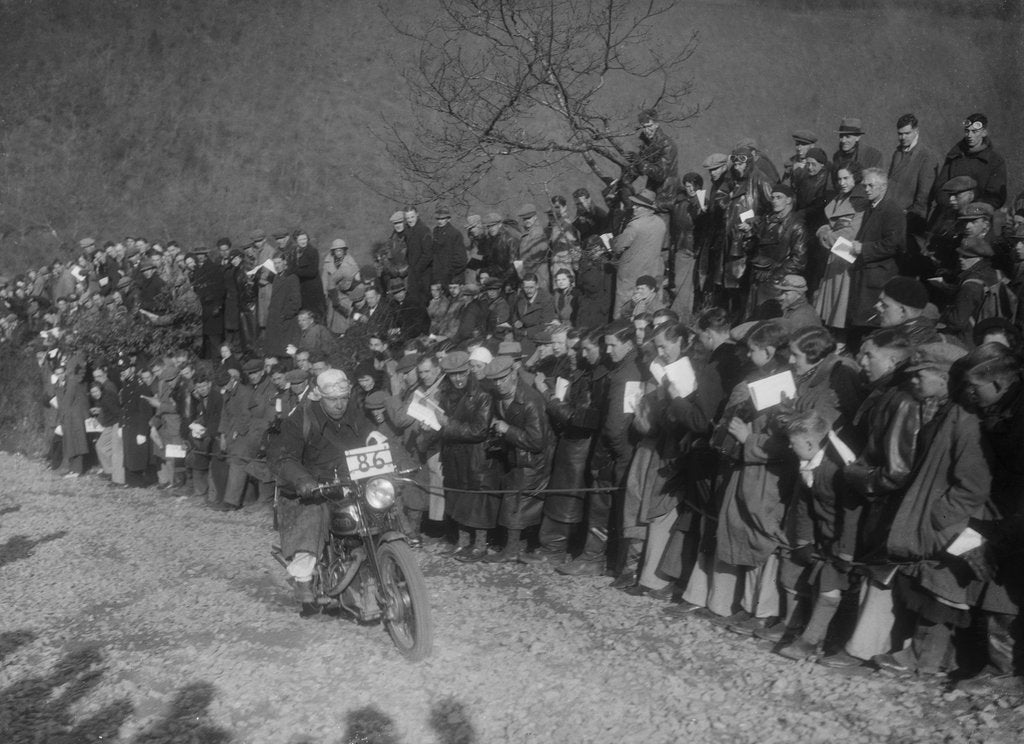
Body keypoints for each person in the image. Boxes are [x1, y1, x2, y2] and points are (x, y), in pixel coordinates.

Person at [269, 369, 375, 605]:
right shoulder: (301, 418)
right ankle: (304, 576)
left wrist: (398, 460)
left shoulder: (354, 414)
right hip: (312, 486)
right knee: (312, 514)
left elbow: (374, 437)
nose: (339, 405)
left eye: (343, 398)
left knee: (381, 504)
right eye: (333, 400)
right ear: (320, 396)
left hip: (348, 482)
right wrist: (303, 480)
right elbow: (284, 457)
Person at [482, 355, 553, 563]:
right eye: (494, 380)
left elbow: (537, 441)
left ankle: (513, 550)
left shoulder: (531, 400)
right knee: (512, 500)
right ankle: (515, 548)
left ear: (513, 374)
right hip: (516, 456)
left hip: (533, 461)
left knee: (516, 502)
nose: (498, 384)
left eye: (502, 379)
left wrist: (507, 430)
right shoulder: (499, 396)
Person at [435, 351, 500, 562]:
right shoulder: (445, 395)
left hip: (475, 457)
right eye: (453, 375)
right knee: (457, 497)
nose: (458, 379)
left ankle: (479, 546)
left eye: (462, 373)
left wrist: (447, 425)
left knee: (476, 500)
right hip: (454, 456)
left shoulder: (483, 394)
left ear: (469, 370)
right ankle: (462, 543)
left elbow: (479, 430)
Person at [846, 168, 905, 347]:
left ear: (884, 187)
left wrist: (864, 248)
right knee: (860, 321)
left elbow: (894, 244)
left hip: (878, 275)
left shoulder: (891, 210)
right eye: (865, 185)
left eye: (871, 185)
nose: (867, 190)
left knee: (871, 323)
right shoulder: (872, 207)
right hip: (866, 272)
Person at [814, 163, 867, 336]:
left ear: (856, 178)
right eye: (839, 179)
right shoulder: (839, 198)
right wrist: (824, 231)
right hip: (835, 253)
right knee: (832, 298)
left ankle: (840, 338)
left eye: (846, 178)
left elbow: (851, 233)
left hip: (845, 257)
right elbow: (830, 225)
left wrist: (826, 234)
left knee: (841, 300)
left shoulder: (860, 203)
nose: (842, 182)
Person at [746, 183, 808, 312]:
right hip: (759, 277)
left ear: (789, 200)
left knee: (769, 319)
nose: (774, 201)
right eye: (773, 198)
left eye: (779, 197)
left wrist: (775, 275)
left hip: (777, 282)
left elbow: (799, 260)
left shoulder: (797, 226)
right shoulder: (768, 220)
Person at [886, 113, 939, 258]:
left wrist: (909, 218)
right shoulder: (897, 153)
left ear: (916, 131)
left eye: (907, 133)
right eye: (900, 134)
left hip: (909, 221)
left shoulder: (927, 156)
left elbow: (923, 197)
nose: (903, 138)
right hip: (891, 217)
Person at [935, 113, 1007, 209]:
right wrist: (951, 203)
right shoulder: (954, 156)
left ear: (984, 133)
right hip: (949, 212)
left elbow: (996, 196)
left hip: (977, 216)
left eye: (974, 131)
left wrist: (971, 209)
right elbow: (940, 187)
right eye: (967, 131)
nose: (969, 135)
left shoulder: (995, 161)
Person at [612, 190, 667, 310]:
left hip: (631, 274)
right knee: (647, 305)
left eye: (638, 205)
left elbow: (618, 247)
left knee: (625, 305)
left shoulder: (634, 226)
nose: (634, 207)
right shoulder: (661, 223)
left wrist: (613, 240)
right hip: (652, 271)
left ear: (646, 208)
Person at [264, 255, 302, 358]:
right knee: (274, 350)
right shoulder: (276, 277)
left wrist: (285, 315)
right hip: (275, 318)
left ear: (285, 262)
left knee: (286, 350)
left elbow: (296, 301)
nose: (277, 266)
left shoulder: (292, 277)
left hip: (285, 320)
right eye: (275, 263)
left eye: (279, 263)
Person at [831, 117, 882, 190]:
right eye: (841, 136)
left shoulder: (873, 155)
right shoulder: (837, 156)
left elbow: (876, 183)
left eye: (848, 137)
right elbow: (835, 182)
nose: (843, 140)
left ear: (858, 137)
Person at [289, 230, 326, 319]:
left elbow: (312, 272)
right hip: (301, 289)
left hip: (313, 289)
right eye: (300, 239)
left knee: (315, 314)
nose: (303, 241)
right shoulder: (294, 252)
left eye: (305, 239)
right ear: (296, 240)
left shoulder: (313, 251)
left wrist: (295, 271)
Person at [431, 204, 466, 287]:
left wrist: (449, 272)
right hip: (437, 275)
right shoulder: (435, 232)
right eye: (438, 219)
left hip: (451, 277)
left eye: (443, 218)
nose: (440, 221)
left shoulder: (455, 234)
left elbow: (461, 259)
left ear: (448, 219)